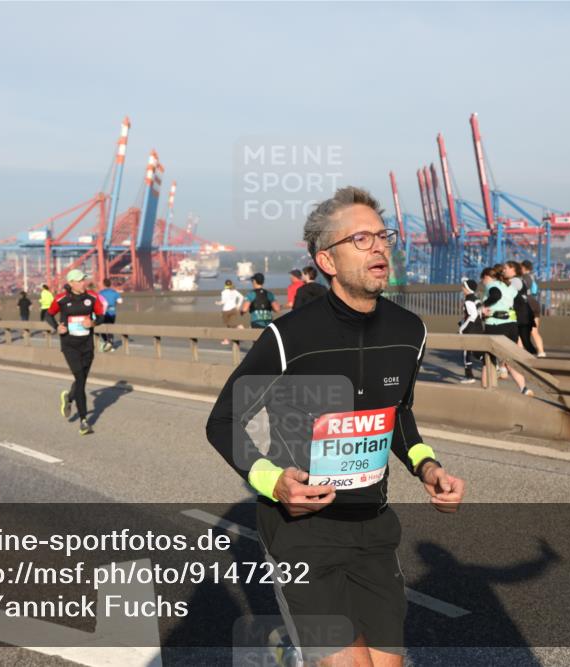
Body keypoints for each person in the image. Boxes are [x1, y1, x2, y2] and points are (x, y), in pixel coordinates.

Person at [207, 186, 465, 666]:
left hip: (373, 528)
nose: (380, 247)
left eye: (382, 236)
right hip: (303, 529)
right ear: (327, 260)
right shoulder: (289, 336)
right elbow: (223, 421)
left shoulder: (410, 332)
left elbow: (399, 413)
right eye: (362, 239)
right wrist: (270, 481)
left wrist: (427, 466)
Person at [44, 270, 105, 435]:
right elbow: (48, 315)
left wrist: (92, 323)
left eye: (83, 280)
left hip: (87, 344)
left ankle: (69, 397)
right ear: (71, 283)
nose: (82, 283)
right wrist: (57, 327)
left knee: (82, 380)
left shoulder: (92, 297)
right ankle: (84, 421)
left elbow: (101, 316)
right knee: (80, 379)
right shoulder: (61, 299)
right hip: (70, 345)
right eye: (78, 281)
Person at [479, 267, 533, 396]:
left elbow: (495, 295)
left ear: (487, 277)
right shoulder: (509, 286)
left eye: (483, 280)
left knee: (488, 359)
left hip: (495, 325)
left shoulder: (492, 285)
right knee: (510, 360)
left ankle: (486, 392)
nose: (483, 283)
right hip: (511, 326)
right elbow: (521, 301)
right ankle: (524, 388)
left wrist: (484, 305)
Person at [457, 278, 484, 383]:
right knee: (477, 352)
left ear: (467, 289)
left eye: (463, 287)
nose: (462, 288)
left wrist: (462, 328)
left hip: (470, 330)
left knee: (467, 352)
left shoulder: (468, 300)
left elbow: (473, 315)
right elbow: (479, 314)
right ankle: (493, 366)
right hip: (478, 328)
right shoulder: (476, 298)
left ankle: (469, 377)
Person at [520, 260, 547, 357]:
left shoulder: (523, 278)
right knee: (535, 331)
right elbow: (535, 291)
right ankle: (541, 351)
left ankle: (521, 353)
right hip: (534, 303)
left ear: (523, 267)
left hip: (527, 304)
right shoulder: (534, 277)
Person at [97, 278, 123, 352]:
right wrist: (114, 303)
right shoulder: (114, 292)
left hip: (103, 313)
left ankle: (107, 342)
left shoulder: (101, 293)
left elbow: (97, 302)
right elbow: (120, 301)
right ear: (110, 284)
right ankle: (110, 343)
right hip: (112, 313)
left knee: (102, 328)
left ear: (104, 284)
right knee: (110, 328)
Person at [216, 280, 244, 345]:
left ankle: (227, 340)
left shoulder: (223, 292)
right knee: (231, 324)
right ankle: (238, 328)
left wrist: (218, 303)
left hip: (226, 310)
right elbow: (241, 297)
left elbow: (223, 302)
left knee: (228, 325)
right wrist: (238, 305)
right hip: (234, 309)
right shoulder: (234, 291)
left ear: (225, 285)